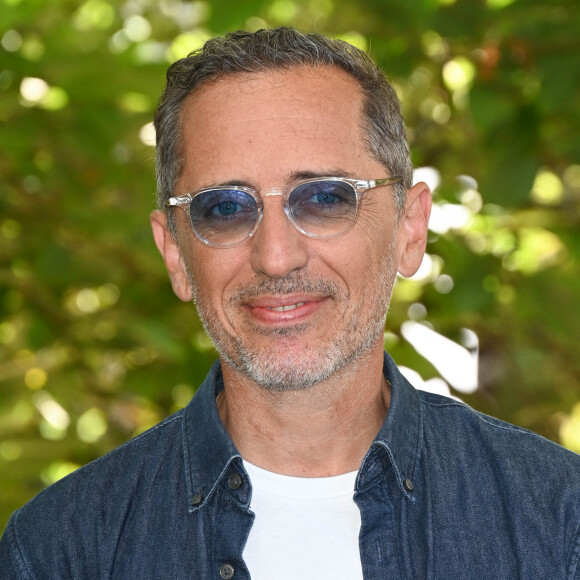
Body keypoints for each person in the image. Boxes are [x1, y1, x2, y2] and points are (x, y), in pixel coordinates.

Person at [1, 27, 579, 580]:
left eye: (325, 198)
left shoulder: (558, 523)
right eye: (224, 208)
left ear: (410, 228)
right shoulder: (60, 550)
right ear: (174, 252)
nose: (275, 257)